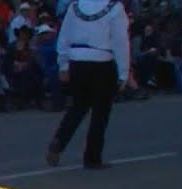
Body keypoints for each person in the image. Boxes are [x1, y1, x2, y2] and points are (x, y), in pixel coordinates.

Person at [46, 0, 130, 169]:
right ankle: (92, 157)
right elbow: (120, 41)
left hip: (77, 61)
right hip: (102, 61)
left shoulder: (75, 6)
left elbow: (64, 36)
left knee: (77, 108)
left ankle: (59, 141)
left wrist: (63, 64)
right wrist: (123, 72)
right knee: (100, 113)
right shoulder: (114, 8)